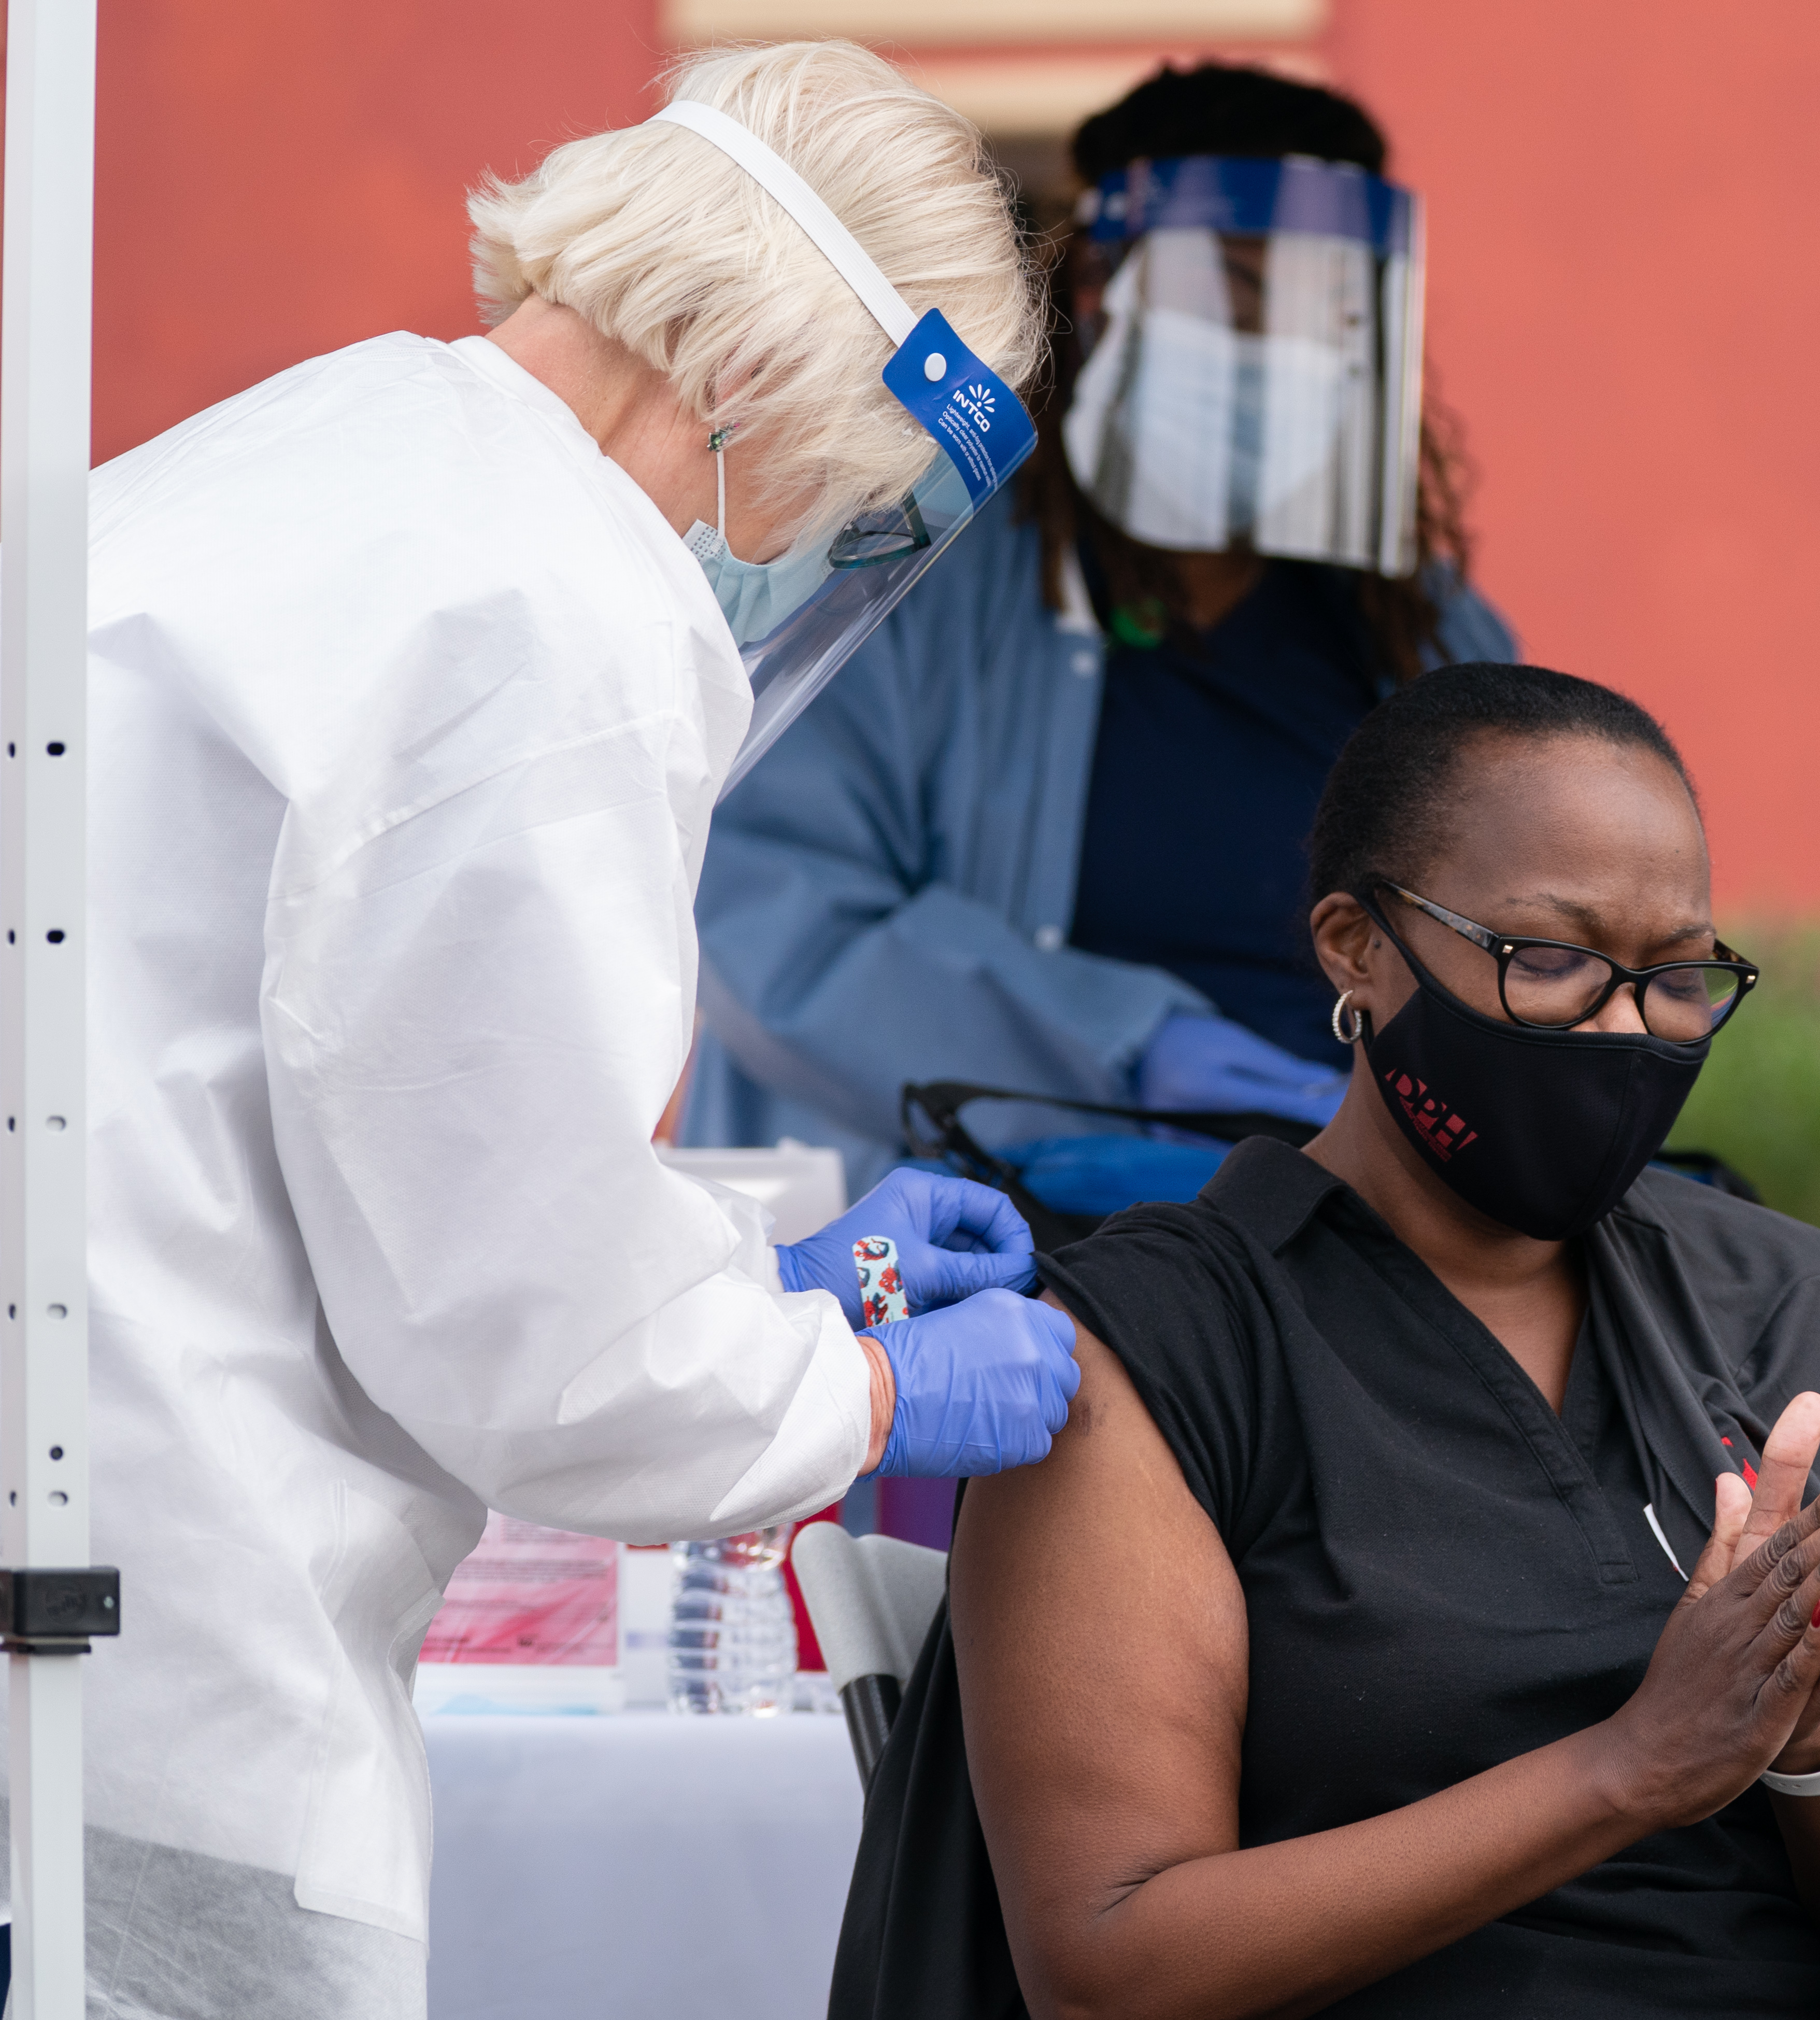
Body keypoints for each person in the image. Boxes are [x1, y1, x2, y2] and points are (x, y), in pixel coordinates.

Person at [85, 44, 1083, 2016]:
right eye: (853, 511)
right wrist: (860, 1393)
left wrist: (771, 1280)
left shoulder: (338, 444)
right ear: (753, 384)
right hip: (162, 1676)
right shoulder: (566, 617)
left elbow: (375, 1124)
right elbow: (531, 1336)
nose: (813, 557)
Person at [827, 666, 1820, 2018]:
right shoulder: (1155, 1349)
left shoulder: (1773, 1308)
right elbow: (1110, 1959)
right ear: (1356, 945)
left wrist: (1810, 1741)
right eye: (1549, 961)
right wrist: (1631, 1766)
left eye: (1677, 978)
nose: (1622, 1029)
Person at [680, 63, 1515, 1202]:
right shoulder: (904, 574)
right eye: (1229, 287)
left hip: (1360, 1245)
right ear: (1098, 283)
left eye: (1331, 306)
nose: (1277, 346)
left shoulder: (1435, 642)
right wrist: (1121, 1049)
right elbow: (771, 920)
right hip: (982, 1261)